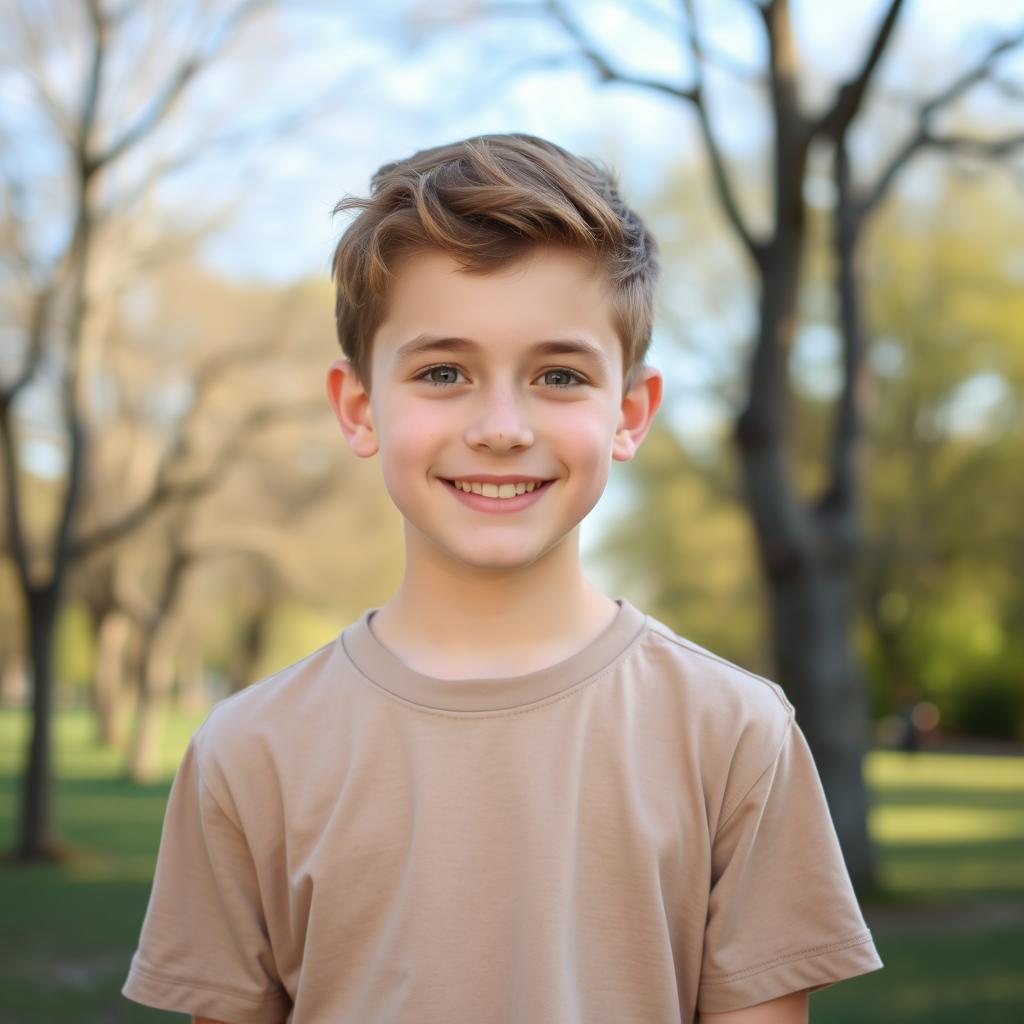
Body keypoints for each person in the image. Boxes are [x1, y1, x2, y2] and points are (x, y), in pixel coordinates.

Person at [122, 133, 883, 1024]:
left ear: (629, 414)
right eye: (443, 371)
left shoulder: (734, 737)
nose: (500, 426)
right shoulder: (247, 753)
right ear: (360, 408)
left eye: (559, 375)